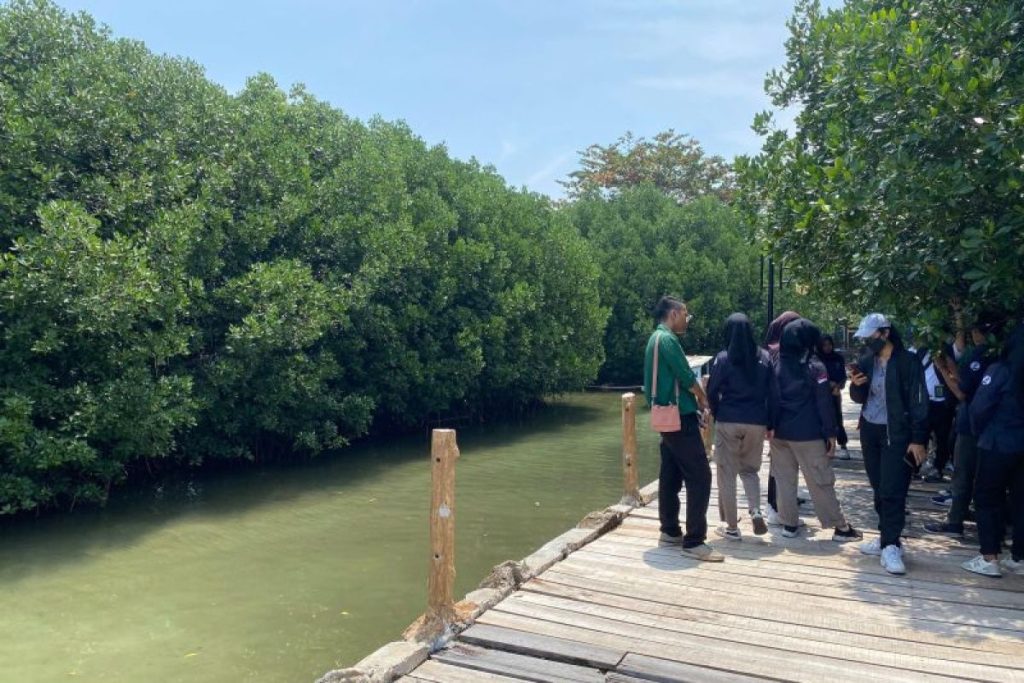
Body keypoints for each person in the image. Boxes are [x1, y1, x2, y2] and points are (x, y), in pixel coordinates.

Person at [644, 296, 722, 562]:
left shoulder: (654, 339)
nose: (687, 320)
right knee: (700, 475)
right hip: (679, 417)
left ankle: (669, 530)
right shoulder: (667, 340)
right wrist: (703, 398)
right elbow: (686, 376)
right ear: (674, 313)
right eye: (685, 314)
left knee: (670, 473)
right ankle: (694, 541)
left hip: (665, 418)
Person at [849, 314, 929, 575]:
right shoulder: (866, 361)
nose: (866, 342)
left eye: (870, 336)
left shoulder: (908, 362)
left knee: (893, 488)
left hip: (897, 432)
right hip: (870, 429)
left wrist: (918, 438)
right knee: (878, 485)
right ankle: (886, 535)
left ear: (884, 333)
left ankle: (892, 545)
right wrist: (856, 386)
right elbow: (860, 397)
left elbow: (919, 401)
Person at [771, 319, 862, 542]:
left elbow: (770, 397)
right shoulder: (815, 367)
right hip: (809, 434)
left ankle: (789, 524)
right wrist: (831, 432)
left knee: (784, 481)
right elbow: (824, 403)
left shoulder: (776, 364)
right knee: (820, 480)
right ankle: (840, 528)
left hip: (780, 434)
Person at [924, 312, 1004, 537]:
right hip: (994, 426)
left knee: (963, 474)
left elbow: (961, 392)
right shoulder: (1001, 355)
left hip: (971, 424)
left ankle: (955, 523)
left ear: (978, 333)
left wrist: (942, 368)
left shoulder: (979, 355)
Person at [706, 313, 780, 540]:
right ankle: (756, 511)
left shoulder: (723, 358)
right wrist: (771, 423)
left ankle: (731, 528)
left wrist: (719, 414)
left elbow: (711, 391)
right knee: (750, 471)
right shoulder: (765, 358)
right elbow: (774, 394)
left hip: (728, 419)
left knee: (726, 474)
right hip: (756, 422)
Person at [962, 323, 1024, 577]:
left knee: (987, 498)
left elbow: (978, 407)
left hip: (997, 444)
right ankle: (1019, 557)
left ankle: (989, 557)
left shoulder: (1001, 370)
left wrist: (980, 433)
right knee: (1021, 500)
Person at [763, 310, 804, 525]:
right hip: (780, 417)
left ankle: (782, 507)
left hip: (782, 417)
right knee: (778, 466)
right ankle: (774, 507)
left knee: (783, 465)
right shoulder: (777, 352)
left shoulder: (772, 350)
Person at [817, 335, 850, 459]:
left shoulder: (838, 358)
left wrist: (838, 386)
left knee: (837, 418)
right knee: (823, 419)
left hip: (835, 393)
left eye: (829, 344)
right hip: (821, 394)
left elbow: (843, 376)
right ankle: (825, 446)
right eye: (824, 345)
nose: (827, 347)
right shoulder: (817, 359)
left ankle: (843, 445)